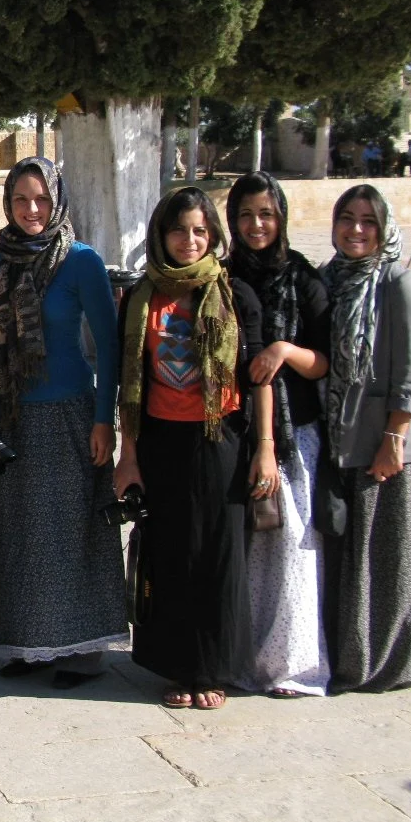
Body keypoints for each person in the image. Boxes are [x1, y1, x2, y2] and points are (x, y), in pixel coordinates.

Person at [116, 188, 273, 712]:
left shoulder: (235, 294)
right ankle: (176, 666)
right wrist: (128, 455)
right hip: (161, 441)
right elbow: (129, 383)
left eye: (200, 231)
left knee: (217, 555)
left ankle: (212, 668)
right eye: (179, 230)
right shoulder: (141, 298)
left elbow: (259, 379)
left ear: (213, 236)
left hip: (218, 440)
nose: (189, 240)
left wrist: (265, 448)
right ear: (161, 235)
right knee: (170, 553)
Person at [0, 159, 125, 688]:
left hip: (67, 416)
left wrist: (104, 420)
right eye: (21, 199)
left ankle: (80, 650)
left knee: (69, 535)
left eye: (41, 199)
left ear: (57, 200)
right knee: (15, 534)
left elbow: (108, 347)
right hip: (12, 416)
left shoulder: (81, 260)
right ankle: (28, 644)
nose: (32, 209)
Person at [224, 173, 332, 697]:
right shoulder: (224, 278)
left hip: (293, 437)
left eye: (265, 214)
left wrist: (283, 351)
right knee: (245, 552)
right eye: (245, 215)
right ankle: (241, 660)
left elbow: (324, 362)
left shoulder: (303, 278)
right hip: (237, 429)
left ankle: (291, 666)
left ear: (281, 217)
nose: (256, 225)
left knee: (291, 548)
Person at [320, 184, 411, 692]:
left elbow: (410, 372)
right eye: (347, 218)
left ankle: (386, 663)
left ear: (384, 229)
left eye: (368, 221)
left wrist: (394, 438)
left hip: (384, 448)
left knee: (384, 563)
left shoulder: (397, 283)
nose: (356, 229)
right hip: (340, 441)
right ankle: (349, 658)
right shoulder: (329, 280)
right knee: (348, 561)